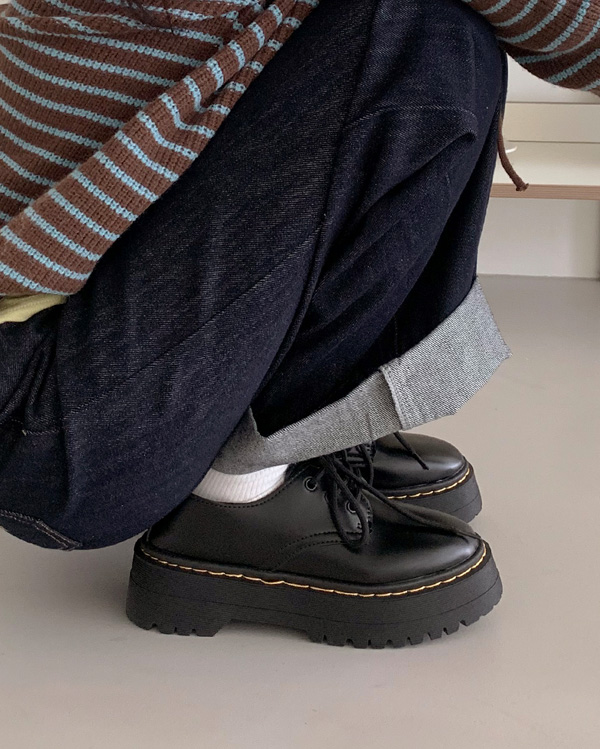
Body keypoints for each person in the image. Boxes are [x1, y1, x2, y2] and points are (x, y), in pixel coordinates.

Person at [0, 0, 597, 648]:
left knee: (438, 32)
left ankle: (301, 426)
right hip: (41, 416)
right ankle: (235, 497)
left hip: (59, 356)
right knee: (412, 36)